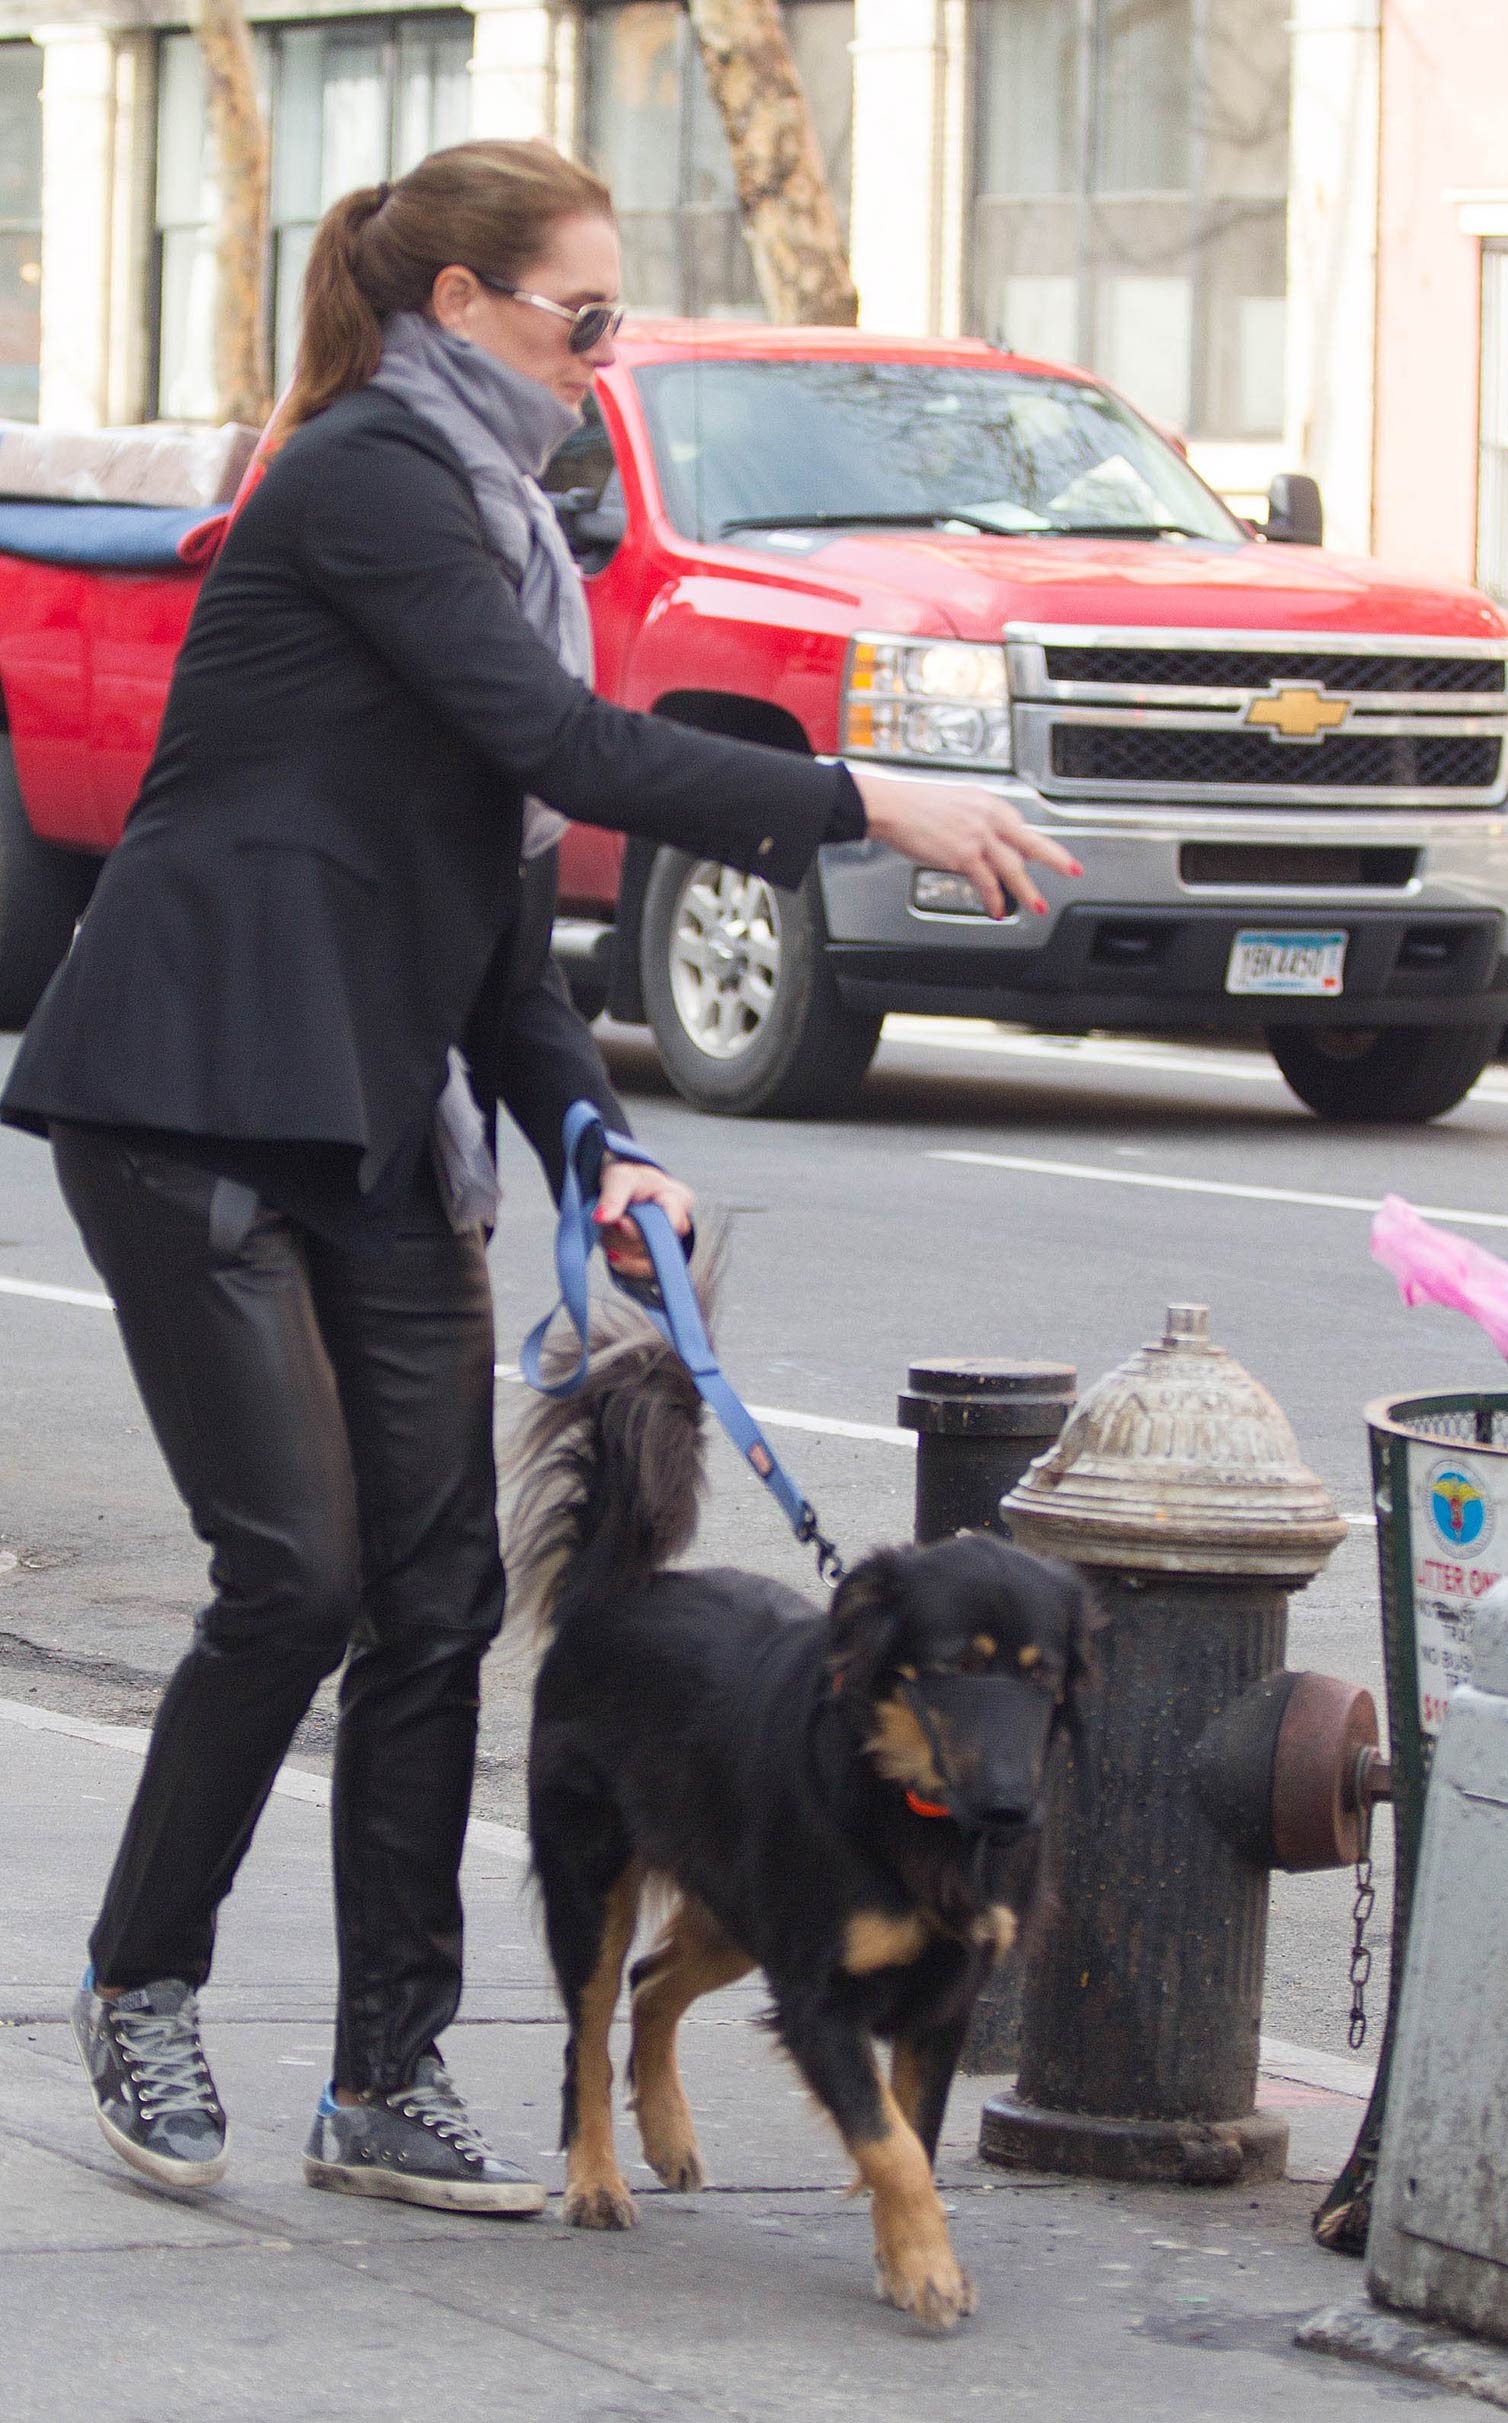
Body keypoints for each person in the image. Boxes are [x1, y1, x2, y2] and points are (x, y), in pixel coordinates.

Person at [0, 138, 1079, 2214]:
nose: (608, 356)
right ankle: (142, 1984)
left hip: (377, 1121)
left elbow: (499, 911)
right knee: (296, 1580)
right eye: (584, 320)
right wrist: (871, 798)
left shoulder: (518, 528)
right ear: (461, 309)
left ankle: (386, 2075)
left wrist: (597, 1137)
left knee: (434, 1603)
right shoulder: (369, 484)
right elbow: (569, 759)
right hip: (199, 1091)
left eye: (618, 320)